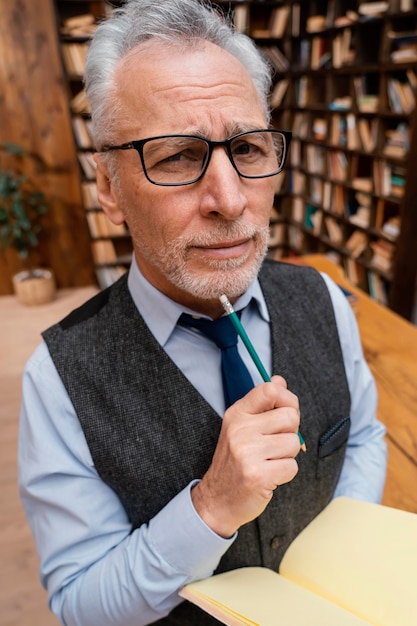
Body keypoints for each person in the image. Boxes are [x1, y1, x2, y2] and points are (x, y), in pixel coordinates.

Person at [18, 1, 387, 625]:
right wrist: (210, 506)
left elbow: (365, 438)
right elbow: (80, 604)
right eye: (178, 157)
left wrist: (336, 559)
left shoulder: (324, 300)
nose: (229, 199)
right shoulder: (57, 379)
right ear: (107, 188)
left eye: (246, 147)